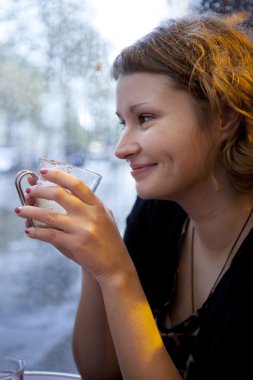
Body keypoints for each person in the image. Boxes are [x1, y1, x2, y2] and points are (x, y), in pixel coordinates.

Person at [14, 13, 253, 380]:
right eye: (121, 123)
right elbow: (101, 372)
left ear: (224, 118)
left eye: (144, 118)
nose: (121, 148)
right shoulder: (159, 212)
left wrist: (116, 272)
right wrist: (94, 260)